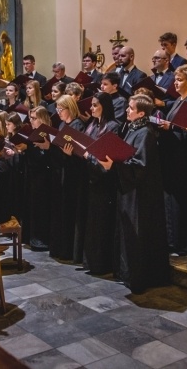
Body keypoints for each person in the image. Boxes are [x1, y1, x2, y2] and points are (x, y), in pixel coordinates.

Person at [98, 94, 170, 293]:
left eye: (130, 108)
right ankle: (126, 272)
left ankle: (140, 276)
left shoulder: (145, 132)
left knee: (138, 233)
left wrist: (115, 165)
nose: (127, 111)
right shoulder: (133, 128)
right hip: (129, 190)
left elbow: (140, 165)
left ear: (141, 113)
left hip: (141, 194)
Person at [158, 64, 187, 254]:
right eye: (175, 80)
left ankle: (186, 243)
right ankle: (174, 240)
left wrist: (172, 127)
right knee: (174, 201)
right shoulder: (179, 99)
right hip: (174, 155)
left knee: (184, 201)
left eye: (179, 80)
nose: (175, 84)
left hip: (186, 157)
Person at [81, 92, 120, 274]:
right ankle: (90, 262)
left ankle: (102, 263)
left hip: (104, 181)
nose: (92, 108)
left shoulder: (112, 126)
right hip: (90, 178)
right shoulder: (92, 125)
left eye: (95, 105)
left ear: (104, 106)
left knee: (102, 222)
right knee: (92, 223)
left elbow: (109, 154)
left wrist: (90, 156)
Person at [48, 95, 87, 262]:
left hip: (75, 174)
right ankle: (61, 247)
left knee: (71, 210)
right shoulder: (63, 124)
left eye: (60, 109)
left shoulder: (78, 125)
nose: (58, 113)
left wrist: (69, 154)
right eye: (56, 109)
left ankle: (70, 250)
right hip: (63, 170)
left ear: (69, 108)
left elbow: (80, 150)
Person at [28, 106, 52, 251]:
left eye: (34, 118)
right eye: (31, 118)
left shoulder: (48, 133)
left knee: (44, 208)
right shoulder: (33, 133)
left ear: (42, 118)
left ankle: (43, 239)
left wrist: (46, 148)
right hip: (35, 175)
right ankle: (35, 238)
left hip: (46, 177)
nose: (31, 121)